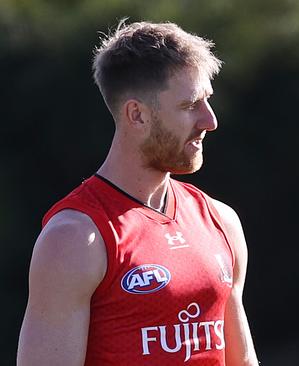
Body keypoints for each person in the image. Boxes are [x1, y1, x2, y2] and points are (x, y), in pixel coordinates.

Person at [17, 20, 259, 365]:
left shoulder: (221, 221)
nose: (210, 121)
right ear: (137, 115)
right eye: (191, 105)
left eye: (208, 100)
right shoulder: (74, 239)